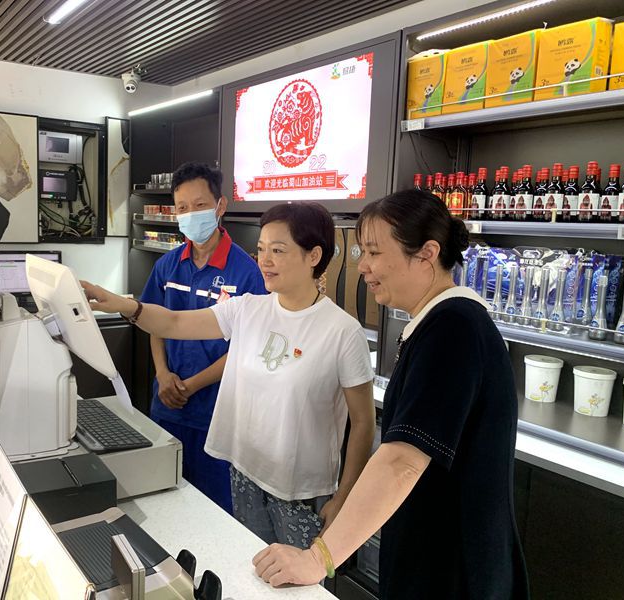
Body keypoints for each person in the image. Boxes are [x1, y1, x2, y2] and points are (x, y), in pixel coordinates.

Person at [252, 190, 529, 599]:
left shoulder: (453, 328)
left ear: (427, 254)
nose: (363, 265)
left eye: (374, 252)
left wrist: (318, 558)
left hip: (454, 572)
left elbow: (402, 459)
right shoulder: (437, 323)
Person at [83, 201, 375, 550]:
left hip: (301, 491)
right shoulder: (248, 309)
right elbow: (173, 323)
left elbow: (363, 423)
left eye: (278, 250)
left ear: (314, 255)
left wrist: (345, 496)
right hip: (245, 472)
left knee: (300, 576)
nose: (264, 260)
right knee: (251, 565)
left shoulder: (342, 332)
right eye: (261, 249)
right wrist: (124, 305)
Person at [140, 162, 265, 513]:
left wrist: (192, 385)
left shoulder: (246, 273)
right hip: (167, 405)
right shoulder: (167, 266)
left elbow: (246, 346)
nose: (191, 214)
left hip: (215, 415)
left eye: (199, 205)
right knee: (162, 504)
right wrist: (162, 374)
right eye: (182, 208)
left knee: (213, 511)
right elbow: (155, 324)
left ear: (220, 205)